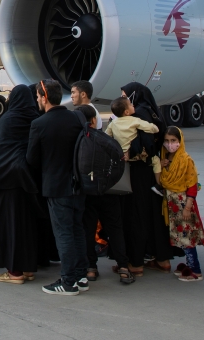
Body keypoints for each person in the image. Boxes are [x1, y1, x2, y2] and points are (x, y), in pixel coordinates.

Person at [27, 79, 89, 295]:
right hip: (78, 184)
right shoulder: (76, 117)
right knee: (77, 230)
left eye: (37, 96)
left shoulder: (40, 124)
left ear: (44, 97)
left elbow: (32, 158)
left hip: (56, 185)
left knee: (63, 234)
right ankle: (81, 275)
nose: (36, 100)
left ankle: (68, 281)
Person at [0, 85, 44, 284]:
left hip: (8, 180)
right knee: (27, 224)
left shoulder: (9, 119)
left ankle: (14, 271)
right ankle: (27, 268)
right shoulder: (35, 117)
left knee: (10, 224)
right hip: (30, 179)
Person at [119, 81, 173, 276]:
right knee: (154, 215)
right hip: (153, 170)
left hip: (139, 170)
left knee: (137, 215)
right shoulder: (152, 111)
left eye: (126, 96)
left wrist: (130, 153)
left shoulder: (139, 114)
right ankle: (162, 259)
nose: (124, 100)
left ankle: (136, 262)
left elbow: (145, 143)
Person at [83, 97, 135, 284]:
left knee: (88, 230)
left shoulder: (79, 141)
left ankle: (91, 268)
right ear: (94, 121)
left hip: (87, 193)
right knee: (115, 228)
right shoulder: (106, 139)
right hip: (108, 192)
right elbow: (119, 162)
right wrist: (108, 184)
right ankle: (123, 266)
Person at [156, 126, 204, 282]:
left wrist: (188, 206)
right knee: (180, 237)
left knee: (187, 237)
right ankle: (189, 265)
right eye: (167, 141)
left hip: (183, 203)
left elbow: (192, 184)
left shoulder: (185, 159)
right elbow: (161, 182)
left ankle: (195, 270)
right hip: (172, 204)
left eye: (173, 141)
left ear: (180, 141)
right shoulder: (166, 159)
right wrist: (160, 166)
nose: (170, 144)